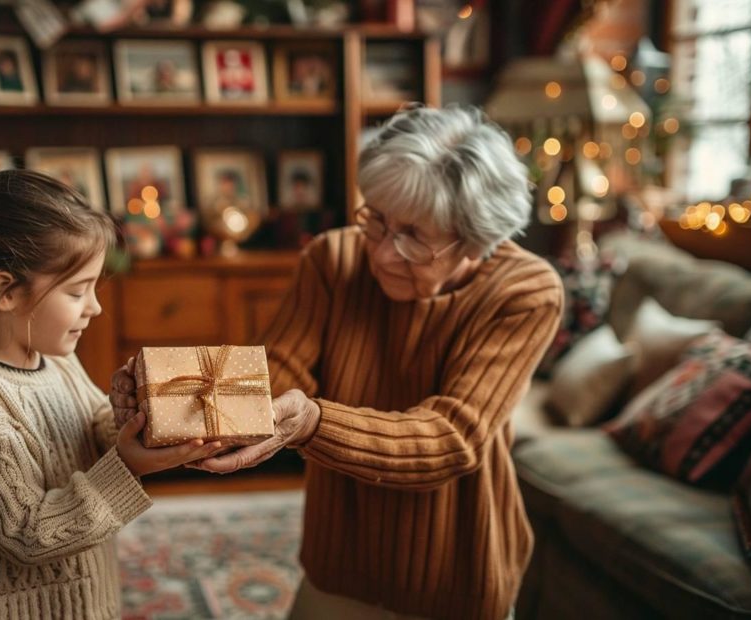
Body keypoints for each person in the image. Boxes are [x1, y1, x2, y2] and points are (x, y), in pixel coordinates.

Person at [111, 105, 562, 619]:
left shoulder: (525, 291)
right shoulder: (334, 257)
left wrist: (313, 423)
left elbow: (451, 437)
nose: (383, 254)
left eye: (414, 236)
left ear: (478, 241)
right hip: (340, 553)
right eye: (377, 220)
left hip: (452, 565)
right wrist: (169, 396)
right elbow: (277, 373)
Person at [0, 170, 222, 619]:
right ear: (4, 291)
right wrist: (126, 465)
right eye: (77, 291)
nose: (96, 307)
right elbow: (27, 533)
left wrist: (141, 417)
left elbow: (92, 426)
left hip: (86, 600)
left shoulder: (56, 359)